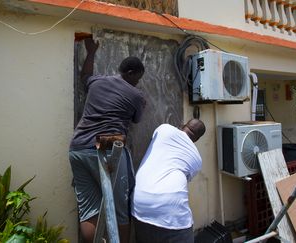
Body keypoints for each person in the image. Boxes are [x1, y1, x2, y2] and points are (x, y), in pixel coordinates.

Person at [69, 37, 146, 243]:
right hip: (106, 145)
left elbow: (85, 75)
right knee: (119, 208)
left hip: (77, 147)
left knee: (88, 210)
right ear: (131, 73)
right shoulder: (136, 95)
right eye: (138, 78)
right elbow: (136, 120)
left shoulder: (97, 81)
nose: (138, 82)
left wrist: (91, 52)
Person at [131, 119, 206, 243]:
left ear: (183, 125)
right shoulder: (197, 159)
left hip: (140, 203)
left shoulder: (163, 129)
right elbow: (184, 180)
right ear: (196, 139)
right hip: (171, 211)